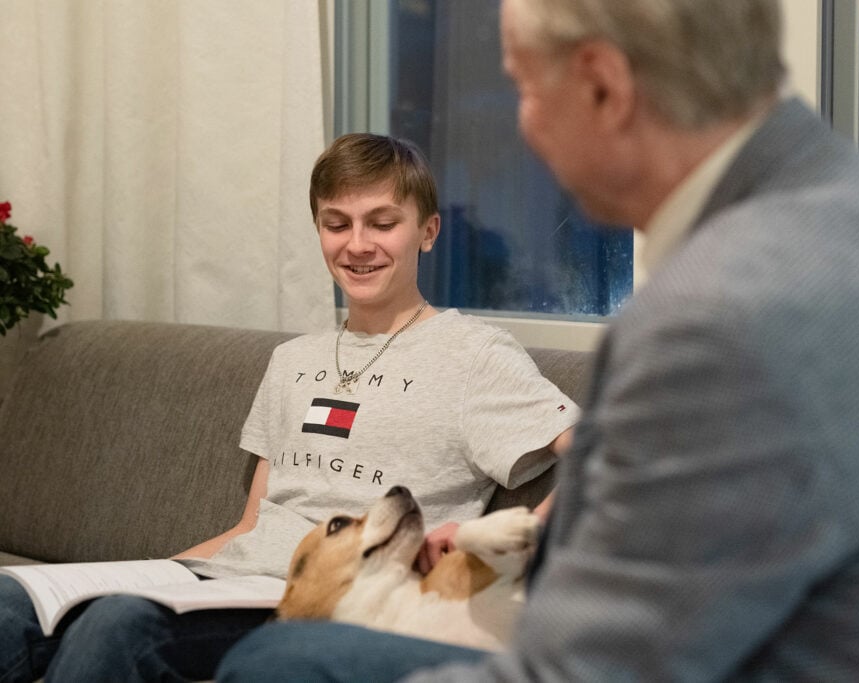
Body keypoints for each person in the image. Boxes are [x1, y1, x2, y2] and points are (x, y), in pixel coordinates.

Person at [218, 1, 859, 681]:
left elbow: (588, 669)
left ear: (603, 85)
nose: (524, 124)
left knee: (278, 664)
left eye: (525, 88)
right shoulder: (856, 205)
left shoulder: (718, 311)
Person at [0, 133, 578, 683]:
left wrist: (502, 535)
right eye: (337, 224)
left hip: (332, 596)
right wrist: (158, 575)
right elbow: (251, 525)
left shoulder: (473, 354)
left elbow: (600, 456)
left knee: (123, 625)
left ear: (427, 232)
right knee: (11, 598)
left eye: (383, 223)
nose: (357, 244)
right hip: (232, 580)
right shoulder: (291, 360)